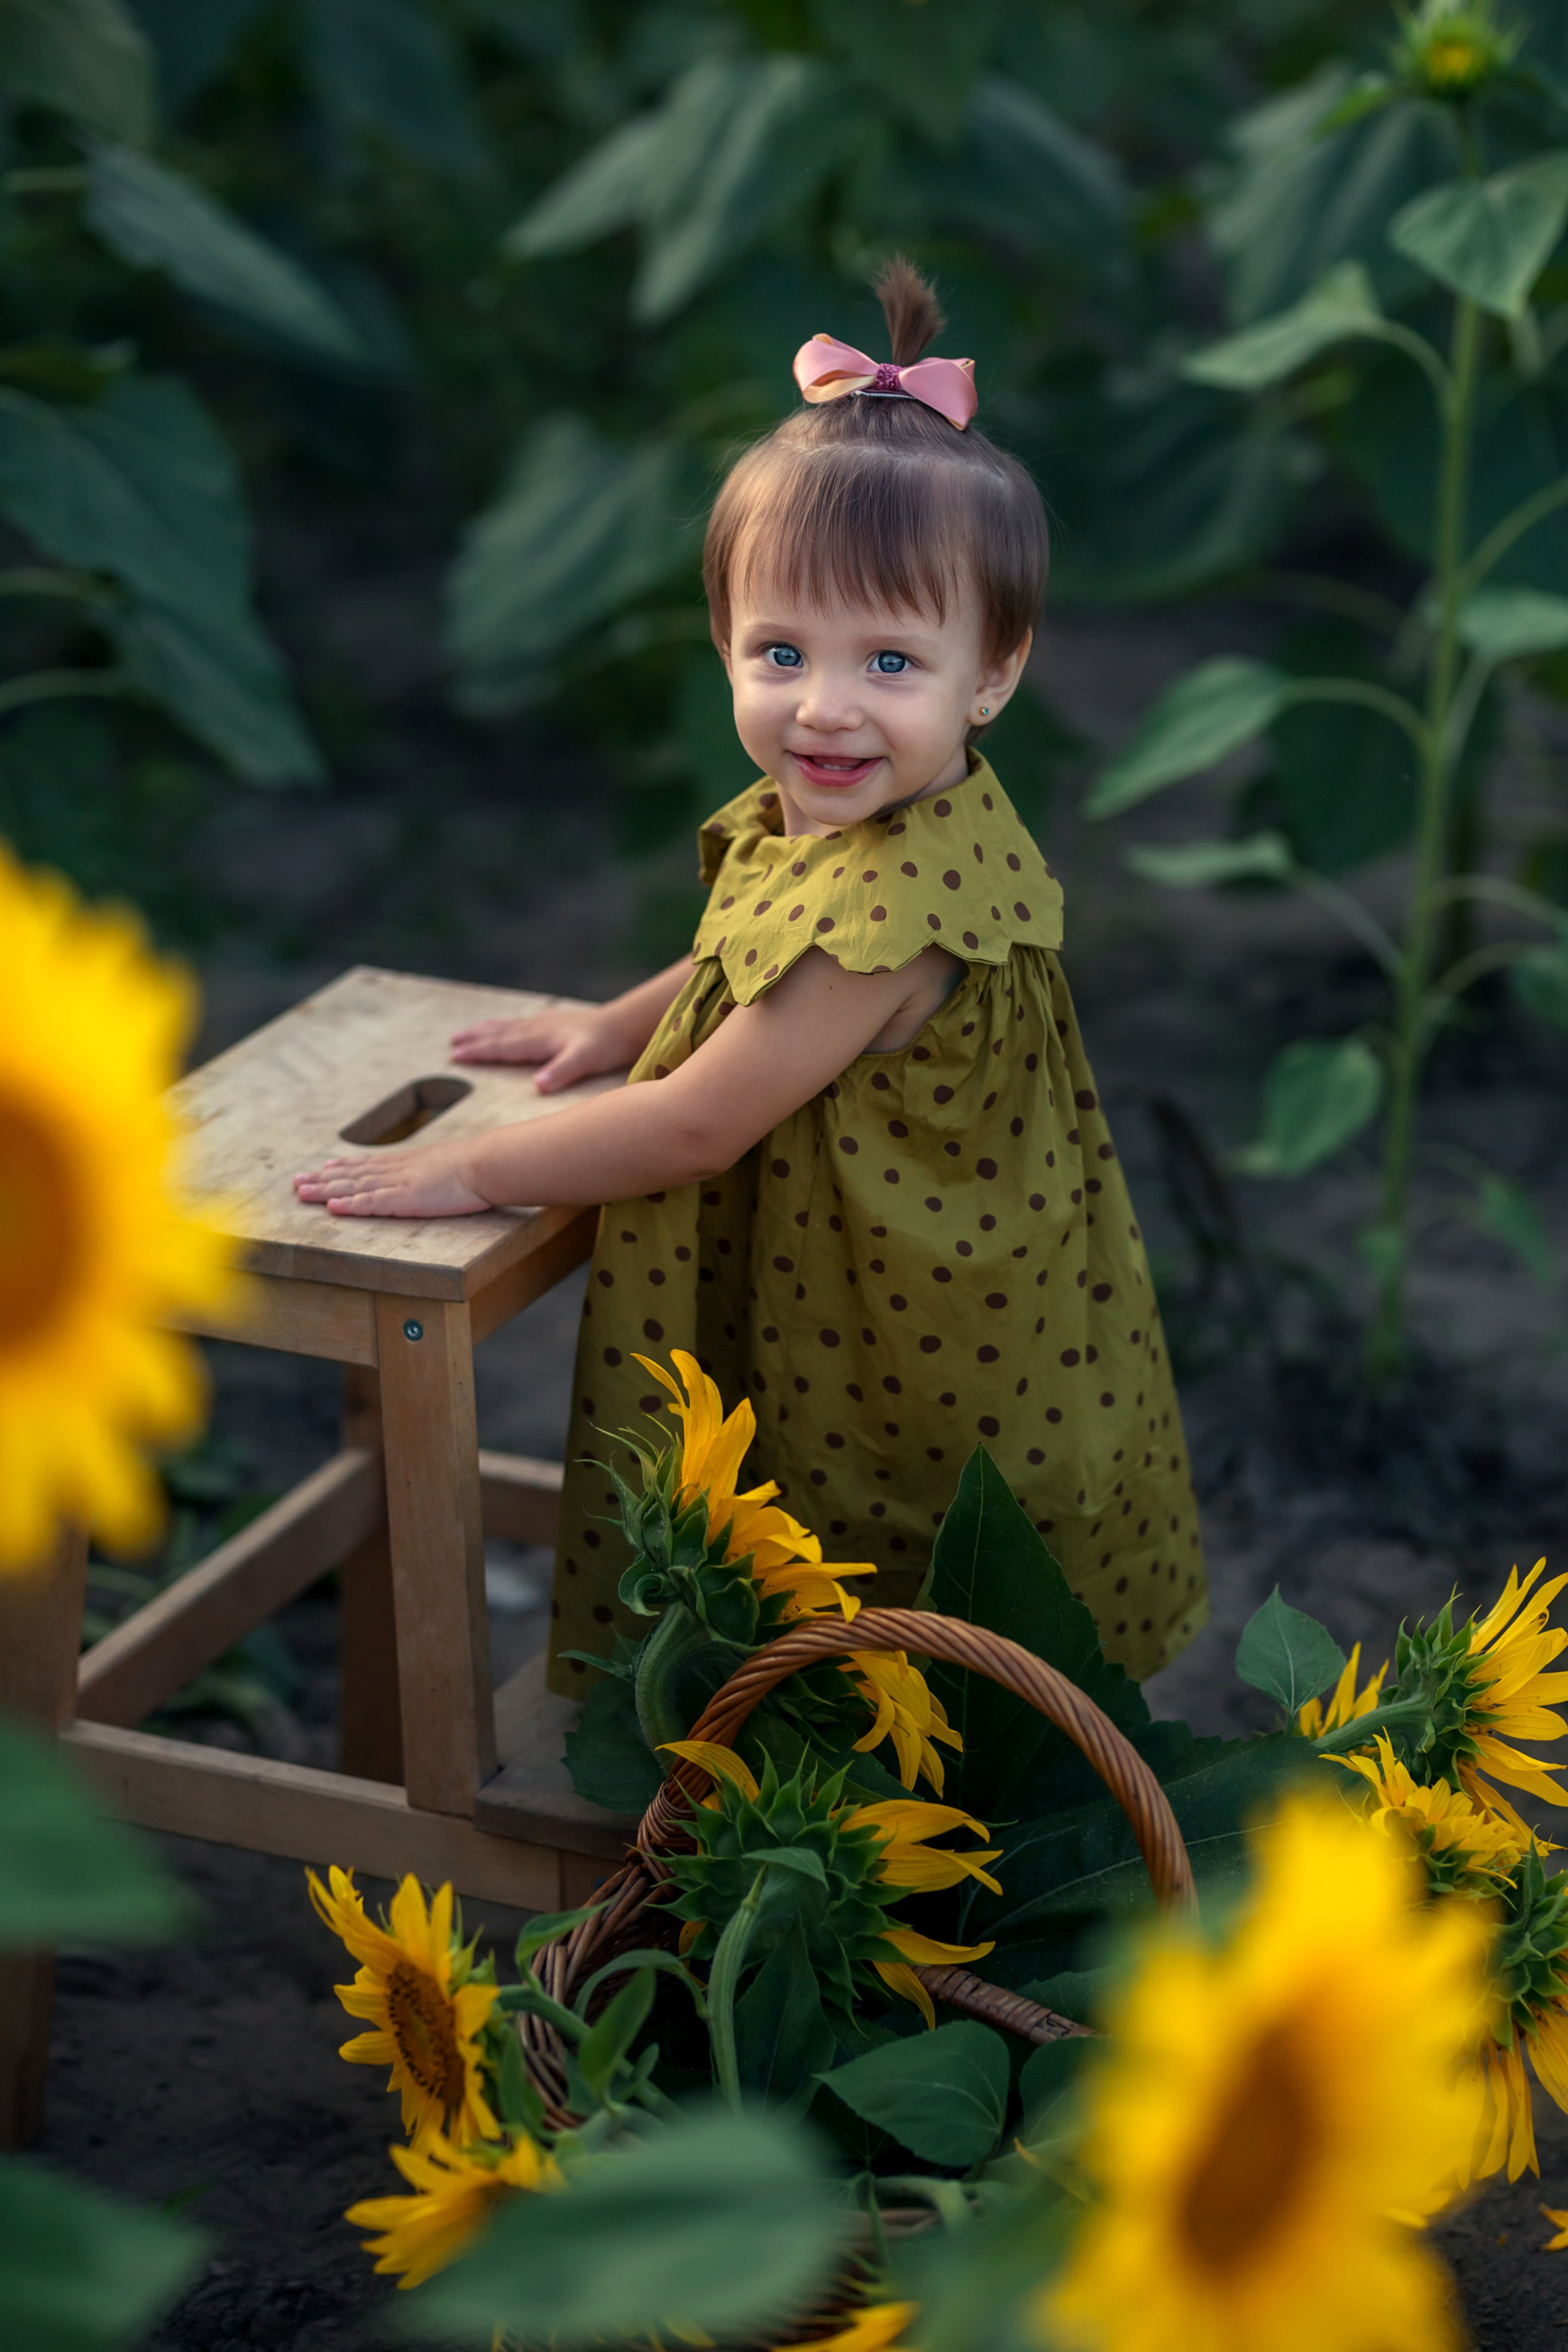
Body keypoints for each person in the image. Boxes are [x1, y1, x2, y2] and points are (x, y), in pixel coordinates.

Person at [293, 260, 1207, 1697]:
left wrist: (473, 1170)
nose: (823, 708)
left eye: (889, 660)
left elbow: (696, 1125)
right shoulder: (891, 810)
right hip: (908, 1252)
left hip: (908, 1315)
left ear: (992, 673)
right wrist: (616, 1021)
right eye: (779, 650)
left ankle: (854, 1748)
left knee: (874, 1553)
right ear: (722, 640)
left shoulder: (893, 903)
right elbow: (752, 945)